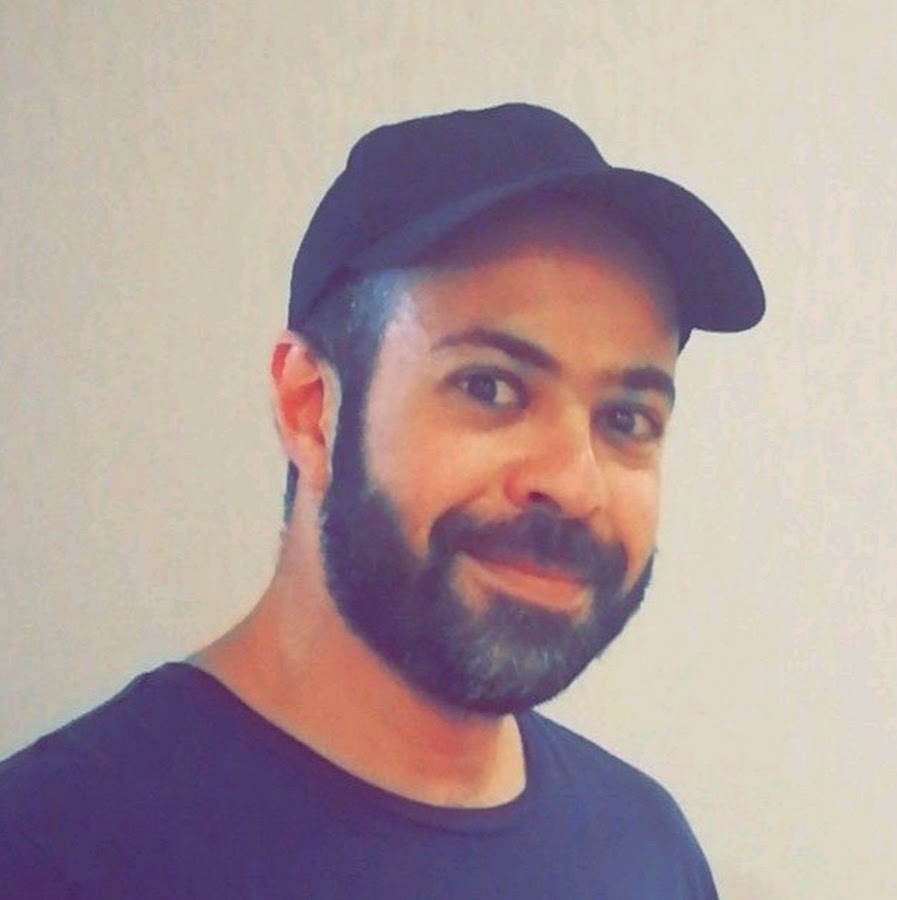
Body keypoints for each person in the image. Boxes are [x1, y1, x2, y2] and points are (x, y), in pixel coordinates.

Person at [0, 103, 764, 898]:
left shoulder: (646, 849)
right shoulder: (49, 850)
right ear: (310, 408)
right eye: (490, 387)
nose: (576, 485)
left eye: (626, 419)